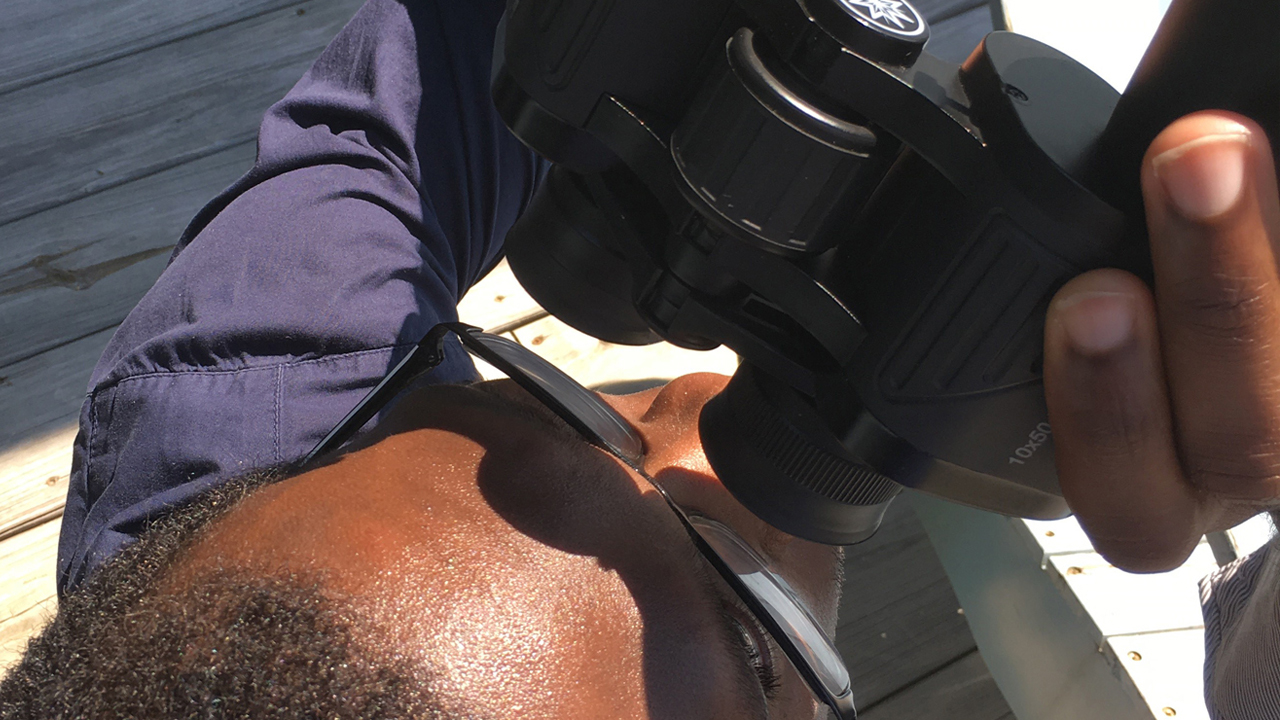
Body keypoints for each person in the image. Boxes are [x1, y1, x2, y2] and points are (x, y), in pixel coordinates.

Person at [0, 0, 1275, 717]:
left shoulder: (253, 436)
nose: (685, 408)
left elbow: (417, 104)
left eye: (539, 411)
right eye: (746, 624)